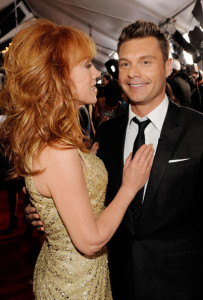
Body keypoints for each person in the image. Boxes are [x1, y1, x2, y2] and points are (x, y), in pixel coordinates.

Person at [25, 19, 203, 300]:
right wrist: (51, 210)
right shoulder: (106, 134)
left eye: (145, 62)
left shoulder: (198, 130)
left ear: (168, 66)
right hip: (114, 279)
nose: (133, 74)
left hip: (181, 284)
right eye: (125, 64)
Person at [0, 19, 154, 300]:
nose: (97, 72)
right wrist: (130, 186)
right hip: (76, 285)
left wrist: (85, 165)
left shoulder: (55, 139)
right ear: (59, 77)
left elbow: (59, 196)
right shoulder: (58, 150)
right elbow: (90, 240)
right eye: (86, 65)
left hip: (74, 274)